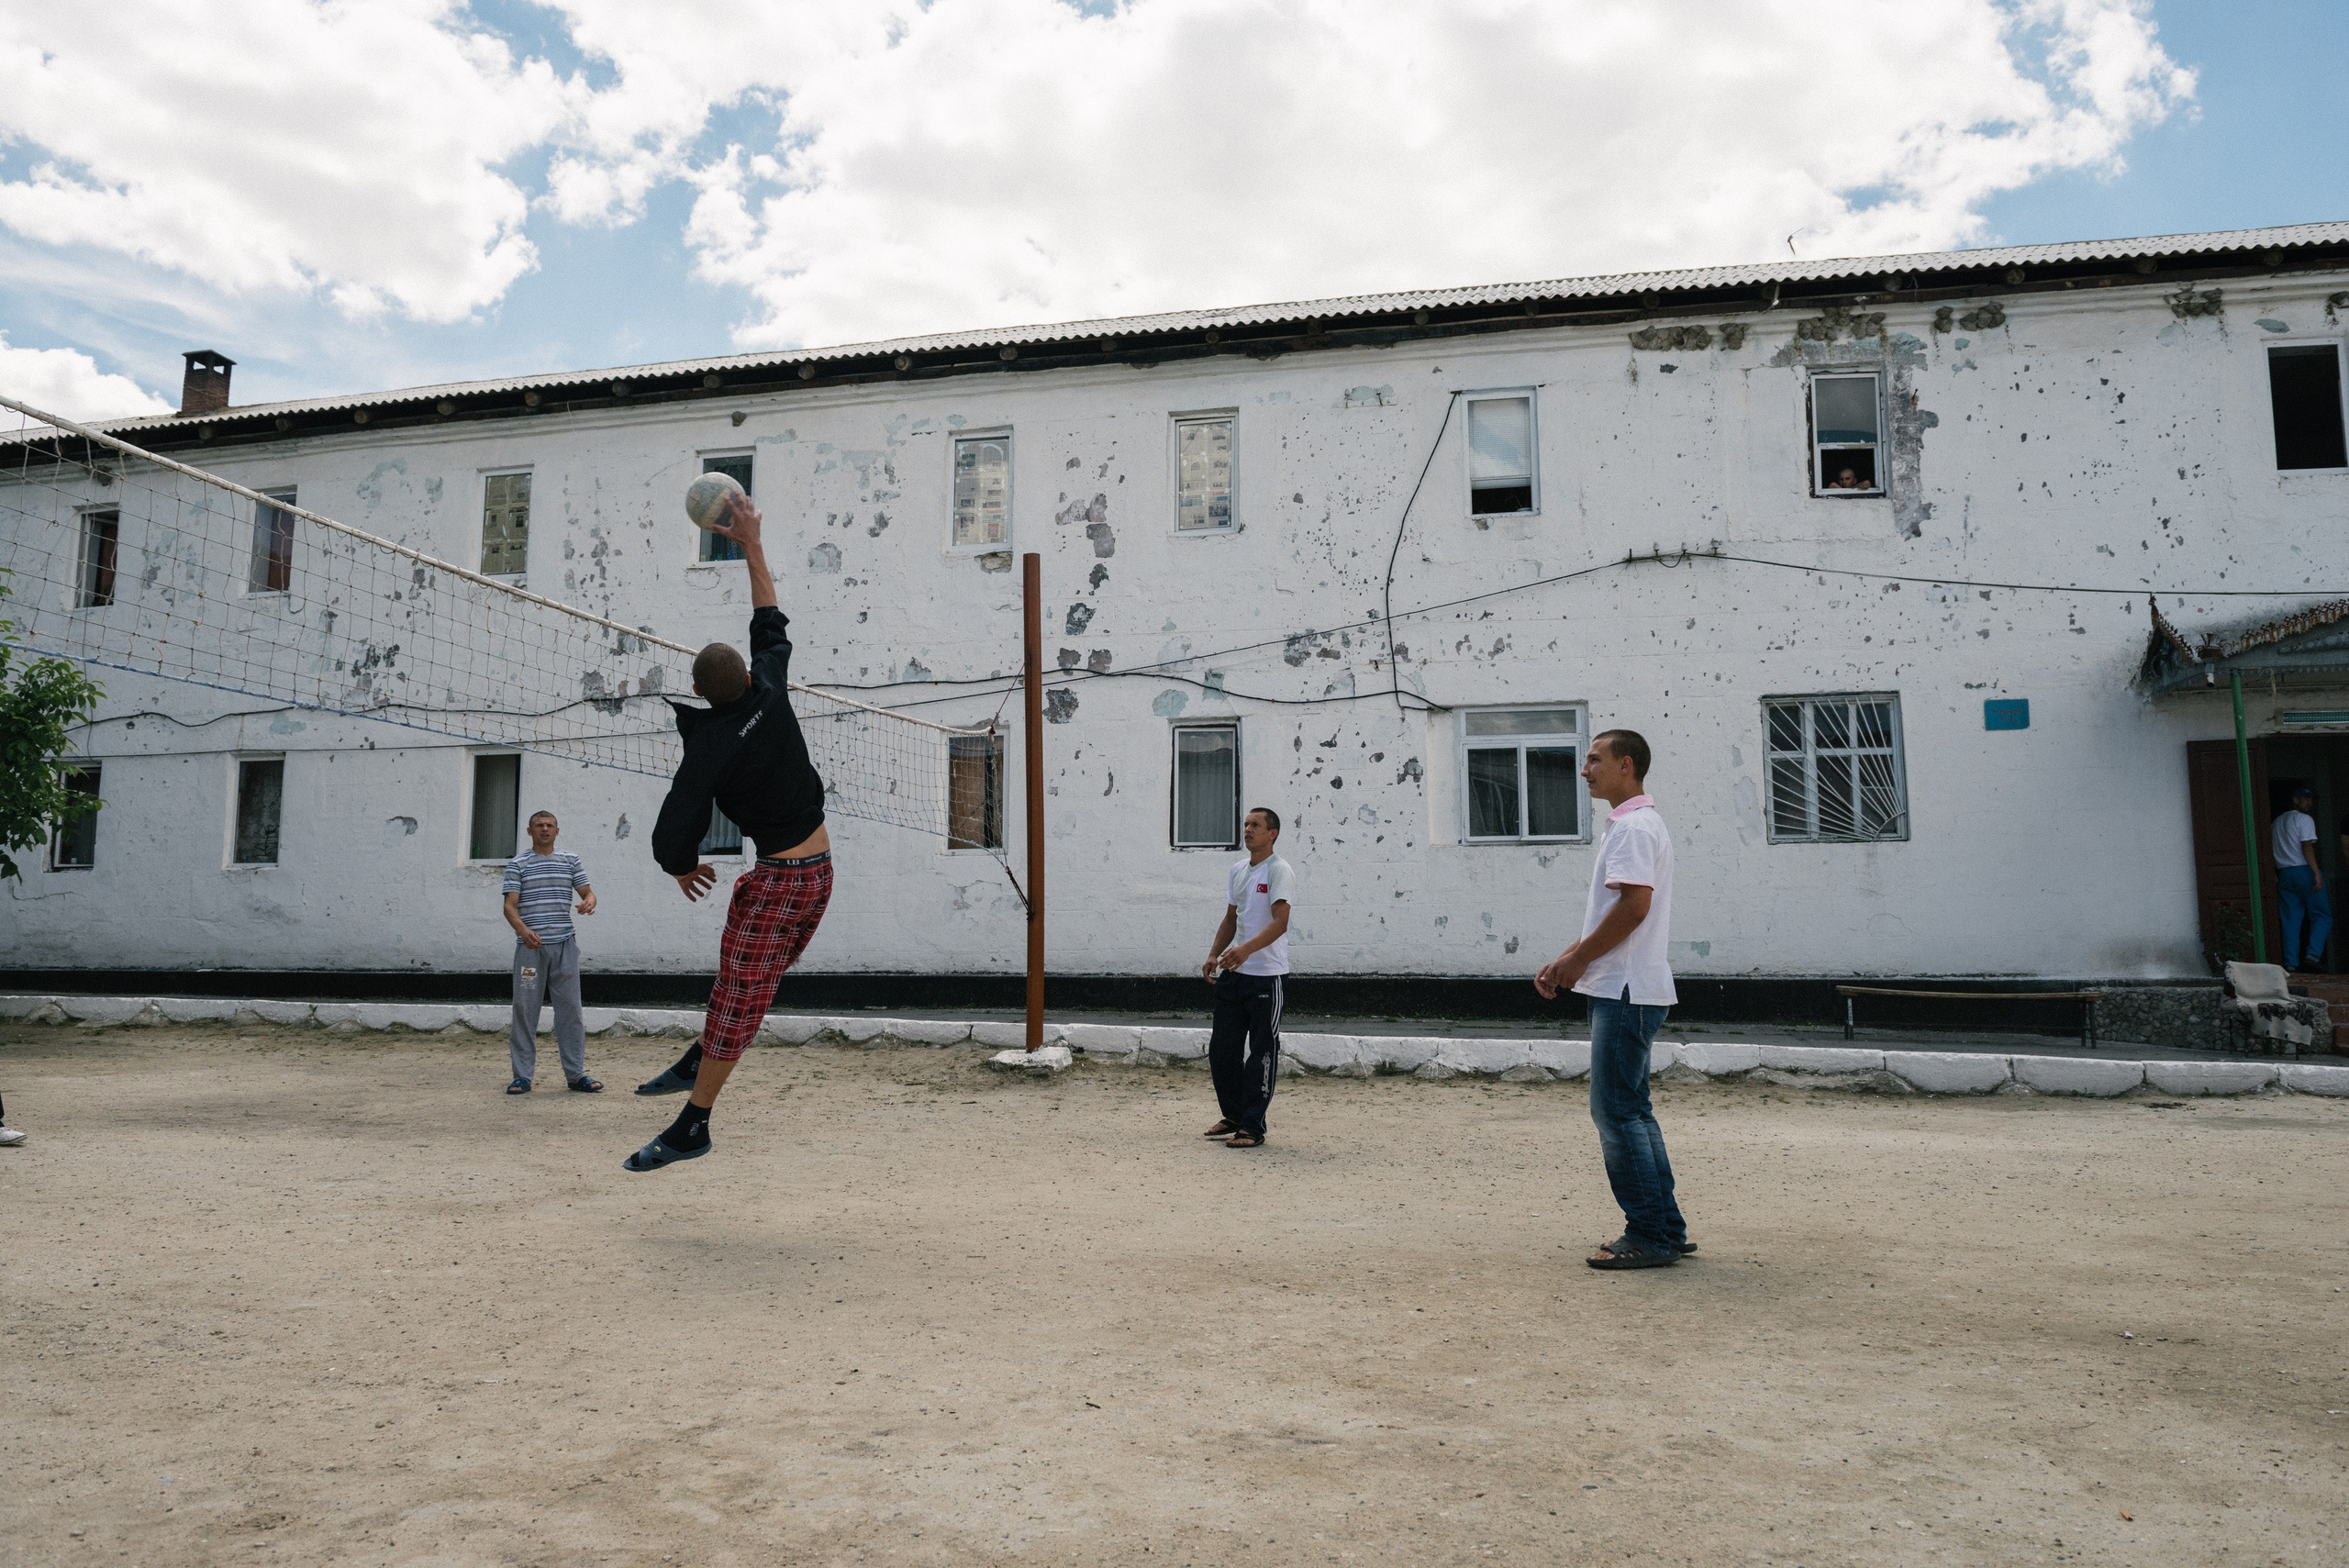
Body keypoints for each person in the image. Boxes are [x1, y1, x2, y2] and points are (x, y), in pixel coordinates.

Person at [627, 490, 831, 1172]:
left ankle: (694, 1125)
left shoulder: (708, 747)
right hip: (819, 877)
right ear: (746, 674)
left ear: (701, 694)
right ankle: (699, 1057)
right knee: (742, 981)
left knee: (742, 997)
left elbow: (674, 822)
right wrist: (752, 543)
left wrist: (682, 866)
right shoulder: (770, 685)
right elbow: (769, 617)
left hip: (779, 884)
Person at [1534, 728, 1688, 1270]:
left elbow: (1633, 909)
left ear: (1626, 765)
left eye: (1594, 760)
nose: (1585, 771)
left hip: (1625, 990)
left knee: (1617, 1114)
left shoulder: (1634, 828)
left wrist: (1578, 963)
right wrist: (1566, 958)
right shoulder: (1635, 825)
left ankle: (1649, 1234)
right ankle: (1666, 1227)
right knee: (1633, 1112)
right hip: (1632, 987)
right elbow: (1612, 913)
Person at [1198, 806, 1293, 1150]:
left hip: (1266, 977)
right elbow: (1231, 919)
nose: (1248, 829)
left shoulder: (1279, 870)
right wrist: (1214, 953)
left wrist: (1246, 951)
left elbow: (1280, 923)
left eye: (1256, 825)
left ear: (1272, 833)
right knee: (1222, 1051)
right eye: (1246, 824)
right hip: (1234, 975)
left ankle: (1253, 1127)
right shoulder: (1238, 870)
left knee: (1261, 1053)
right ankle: (1234, 1115)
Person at [502, 810, 599, 1094]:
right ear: (529, 831)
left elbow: (588, 893)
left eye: (549, 825)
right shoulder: (518, 864)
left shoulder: (570, 860)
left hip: (564, 946)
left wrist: (589, 902)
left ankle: (576, 1075)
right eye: (539, 825)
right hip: (530, 950)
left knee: (571, 1011)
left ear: (557, 831)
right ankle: (522, 1076)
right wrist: (523, 931)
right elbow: (509, 906)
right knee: (524, 1011)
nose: (544, 829)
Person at [2274, 784, 2331, 973]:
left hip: (2285, 874)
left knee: (2290, 920)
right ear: (2295, 800)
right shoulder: (2303, 819)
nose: (2310, 802)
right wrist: (2316, 873)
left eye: (2311, 799)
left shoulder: (2276, 822)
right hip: (2304, 871)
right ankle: (2313, 954)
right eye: (2306, 799)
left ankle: (2291, 963)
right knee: (2322, 916)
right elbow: (2306, 845)